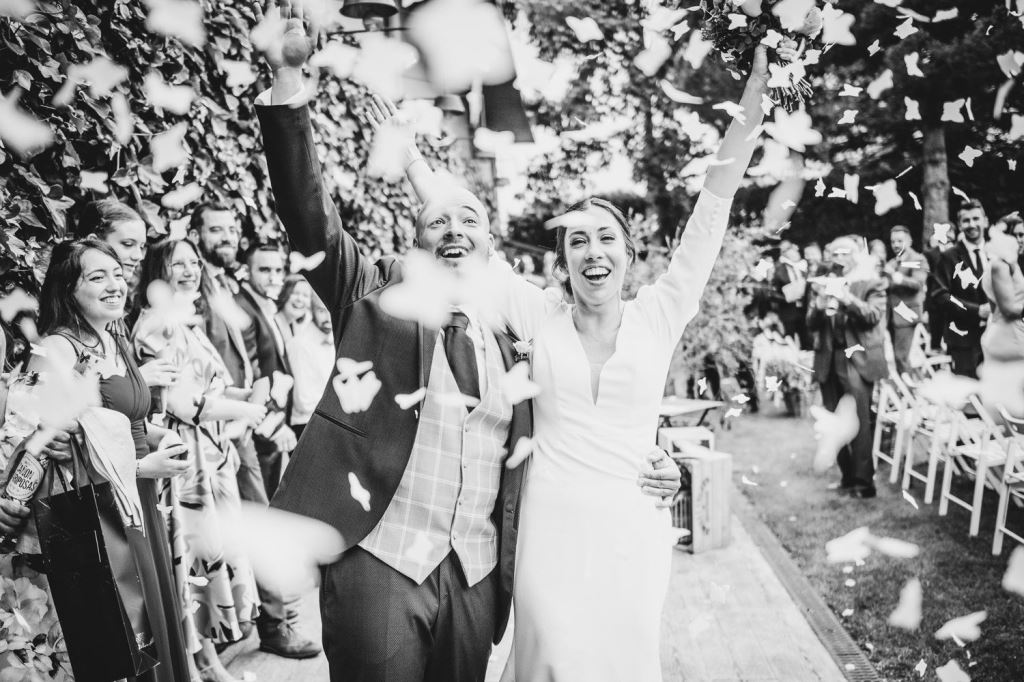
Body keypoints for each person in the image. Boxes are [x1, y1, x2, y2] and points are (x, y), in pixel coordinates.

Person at [253, 10, 680, 680]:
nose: (453, 229)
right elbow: (309, 216)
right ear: (416, 240)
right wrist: (287, 80)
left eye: (470, 220)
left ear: (490, 246)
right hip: (380, 564)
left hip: (476, 578)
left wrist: (654, 460)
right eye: (437, 222)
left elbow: (579, 421)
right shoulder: (370, 292)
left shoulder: (518, 334)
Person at [486, 44, 781, 682]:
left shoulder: (659, 314)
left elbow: (713, 206)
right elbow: (465, 242)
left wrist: (755, 92)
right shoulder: (537, 315)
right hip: (549, 526)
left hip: (633, 522)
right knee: (548, 656)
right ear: (562, 260)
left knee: (622, 661)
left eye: (606, 238)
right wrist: (407, 154)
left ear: (629, 251)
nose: (593, 251)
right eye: (577, 241)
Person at [2, 237, 193, 682]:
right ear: (69, 289)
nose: (114, 285)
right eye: (97, 276)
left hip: (139, 502)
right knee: (121, 628)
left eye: (118, 274)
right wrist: (141, 467)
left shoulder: (112, 338)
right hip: (103, 511)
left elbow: (127, 421)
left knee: (152, 622)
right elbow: (34, 446)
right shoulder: (57, 350)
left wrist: (163, 438)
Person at [134, 239, 267, 682]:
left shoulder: (184, 322)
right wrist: (246, 410)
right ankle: (195, 665)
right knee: (190, 562)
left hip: (212, 457)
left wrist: (250, 394)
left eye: (195, 262)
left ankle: (206, 659)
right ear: (158, 271)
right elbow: (183, 404)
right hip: (185, 462)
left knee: (208, 560)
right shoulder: (155, 326)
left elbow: (213, 389)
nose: (191, 270)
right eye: (179, 263)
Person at [187, 206, 317, 659]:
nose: (226, 236)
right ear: (196, 234)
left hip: (247, 422)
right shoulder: (204, 293)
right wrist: (259, 419)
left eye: (231, 229)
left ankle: (271, 618)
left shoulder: (229, 288)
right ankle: (275, 624)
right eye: (215, 229)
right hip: (228, 427)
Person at [806, 237, 888, 499]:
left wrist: (845, 297)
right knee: (832, 421)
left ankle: (864, 484)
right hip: (828, 360)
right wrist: (819, 306)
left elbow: (873, 316)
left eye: (845, 253)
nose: (839, 258)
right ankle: (847, 477)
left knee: (859, 421)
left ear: (857, 255)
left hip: (856, 359)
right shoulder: (824, 281)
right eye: (835, 253)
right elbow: (810, 324)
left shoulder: (872, 282)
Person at [73, 198, 179, 389]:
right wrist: (137, 380)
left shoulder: (115, 317)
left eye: (142, 246)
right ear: (93, 241)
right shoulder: (74, 313)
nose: (138, 256)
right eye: (128, 244)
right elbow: (70, 388)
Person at [235, 243, 296, 500]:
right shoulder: (242, 310)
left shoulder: (266, 306)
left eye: (278, 270)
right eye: (264, 270)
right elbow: (250, 376)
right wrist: (275, 425)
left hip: (270, 433)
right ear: (247, 271)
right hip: (260, 428)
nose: (273, 277)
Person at [929, 199, 990, 378]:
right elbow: (940, 295)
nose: (971, 224)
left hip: (997, 337)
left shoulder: (996, 252)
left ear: (985, 221)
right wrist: (977, 311)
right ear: (960, 225)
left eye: (976, 219)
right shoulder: (949, 257)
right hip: (963, 340)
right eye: (966, 220)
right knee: (968, 391)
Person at [284, 292, 333, 442]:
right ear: (311, 310)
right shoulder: (300, 345)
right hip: (307, 426)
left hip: (326, 422)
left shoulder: (333, 341)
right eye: (322, 311)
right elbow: (303, 401)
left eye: (331, 311)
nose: (328, 317)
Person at [979, 228, 1024, 387]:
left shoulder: (1008, 264)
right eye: (1016, 236)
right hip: (1009, 337)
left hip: (1009, 331)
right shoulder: (1000, 265)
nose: (1019, 240)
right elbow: (1008, 309)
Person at [884, 225, 929, 375]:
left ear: (909, 241)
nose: (896, 245)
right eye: (893, 241)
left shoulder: (918, 259)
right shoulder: (892, 262)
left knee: (901, 357)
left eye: (899, 241)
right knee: (898, 357)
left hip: (907, 314)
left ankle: (909, 387)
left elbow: (918, 284)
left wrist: (896, 277)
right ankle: (908, 385)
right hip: (891, 315)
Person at [923, 224, 955, 351]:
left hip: (953, 299)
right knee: (935, 335)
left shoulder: (958, 252)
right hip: (935, 300)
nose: (949, 235)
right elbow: (928, 276)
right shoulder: (930, 253)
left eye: (951, 232)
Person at [772, 239, 807, 345]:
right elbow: (772, 292)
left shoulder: (803, 265)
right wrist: (786, 298)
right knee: (789, 341)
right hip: (788, 311)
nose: (789, 252)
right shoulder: (777, 269)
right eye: (784, 250)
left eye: (789, 248)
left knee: (807, 341)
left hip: (804, 310)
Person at [275, 274, 313, 347]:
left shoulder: (296, 327)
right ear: (283, 294)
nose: (300, 299)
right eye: (295, 293)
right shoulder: (272, 324)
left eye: (305, 295)